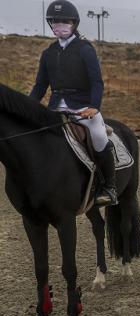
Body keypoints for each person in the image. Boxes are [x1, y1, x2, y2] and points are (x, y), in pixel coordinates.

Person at [30, 0, 117, 206]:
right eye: (55, 21)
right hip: (55, 107)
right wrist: (26, 107)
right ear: (51, 24)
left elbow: (96, 81)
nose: (60, 25)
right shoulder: (48, 53)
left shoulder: (85, 49)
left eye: (64, 21)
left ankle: (110, 187)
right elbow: (40, 86)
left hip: (83, 107)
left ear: (74, 23)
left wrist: (94, 107)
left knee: (98, 137)